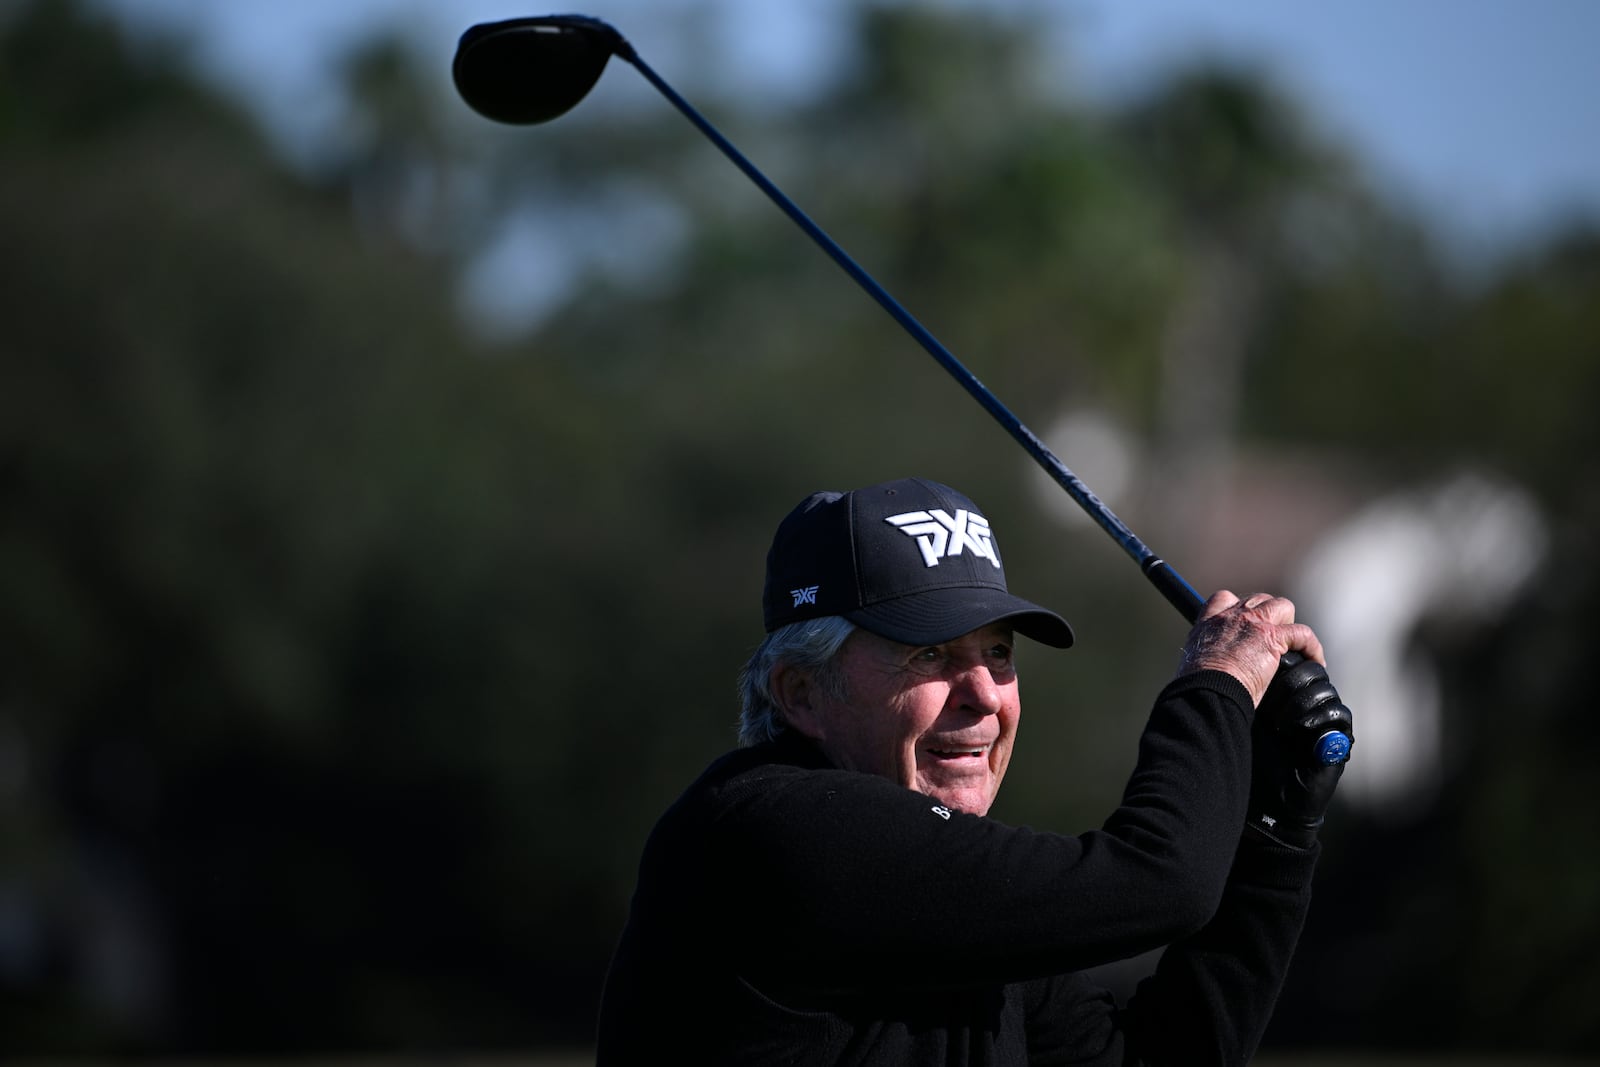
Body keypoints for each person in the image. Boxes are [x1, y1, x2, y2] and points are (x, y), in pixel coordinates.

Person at [595, 476, 1352, 1064]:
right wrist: (1216, 684)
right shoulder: (772, 830)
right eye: (930, 654)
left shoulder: (951, 903)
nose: (985, 694)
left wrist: (1274, 825)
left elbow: (1159, 1057)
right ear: (801, 692)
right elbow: (1160, 879)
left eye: (999, 653)